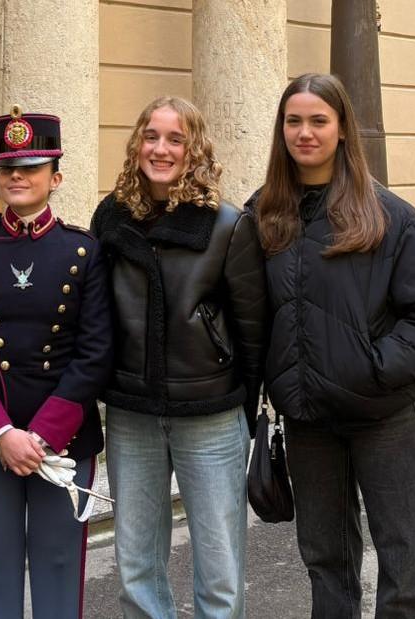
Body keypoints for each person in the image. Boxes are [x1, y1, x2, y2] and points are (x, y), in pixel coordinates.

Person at [247, 72, 415, 618]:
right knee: (326, 564)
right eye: (294, 121)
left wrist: (374, 371)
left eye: (319, 120)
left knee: (406, 563)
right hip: (308, 422)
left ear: (342, 129)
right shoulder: (263, 215)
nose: (305, 133)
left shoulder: (391, 217)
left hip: (383, 417)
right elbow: (250, 313)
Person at [90, 96, 267, 618]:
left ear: (195, 150)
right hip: (132, 413)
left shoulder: (227, 225)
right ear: (136, 144)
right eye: (151, 136)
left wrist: (241, 407)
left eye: (175, 139)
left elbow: (252, 330)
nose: (161, 149)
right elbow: (95, 314)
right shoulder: (110, 217)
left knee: (219, 570)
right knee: (136, 566)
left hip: (210, 415)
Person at [0, 106, 112, 619]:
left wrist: (39, 437)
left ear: (55, 178)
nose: (17, 176)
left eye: (31, 167)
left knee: (59, 566)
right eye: (8, 167)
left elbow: (94, 352)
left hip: (61, 439)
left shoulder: (83, 250)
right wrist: (2, 434)